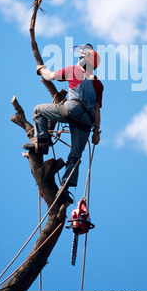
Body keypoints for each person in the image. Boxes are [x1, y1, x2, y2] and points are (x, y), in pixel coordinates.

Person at [23, 44, 103, 190]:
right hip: (87, 123)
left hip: (72, 110)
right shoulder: (98, 84)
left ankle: (42, 143)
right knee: (75, 156)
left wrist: (41, 69)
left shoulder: (74, 70)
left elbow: (50, 76)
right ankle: (65, 188)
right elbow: (97, 110)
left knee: (38, 110)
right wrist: (96, 131)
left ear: (83, 60)